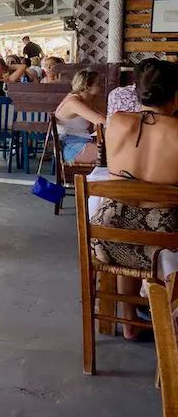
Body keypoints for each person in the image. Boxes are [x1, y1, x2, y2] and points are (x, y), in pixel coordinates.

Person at [92, 60, 178, 340]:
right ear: (175, 96)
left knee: (127, 227)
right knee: (149, 230)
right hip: (163, 245)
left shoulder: (116, 121)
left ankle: (128, 321)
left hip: (108, 239)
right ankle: (169, 321)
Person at [54, 69, 106, 163]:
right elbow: (102, 121)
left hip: (84, 141)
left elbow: (109, 114)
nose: (102, 86)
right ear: (87, 87)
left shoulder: (91, 99)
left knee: (117, 152)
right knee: (113, 154)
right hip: (69, 146)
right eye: (98, 84)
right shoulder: (73, 102)